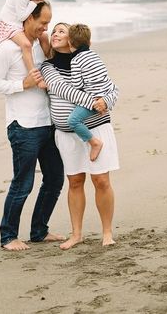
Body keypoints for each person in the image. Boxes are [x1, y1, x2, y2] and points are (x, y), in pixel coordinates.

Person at [0, 2, 65, 251]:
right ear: (27, 18)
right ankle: (8, 236)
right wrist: (23, 84)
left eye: (49, 23)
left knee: (54, 179)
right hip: (23, 125)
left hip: (47, 123)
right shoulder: (8, 49)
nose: (46, 27)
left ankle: (39, 231)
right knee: (23, 184)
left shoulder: (41, 47)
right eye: (43, 22)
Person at [41, 23, 119, 250]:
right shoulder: (48, 67)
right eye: (53, 31)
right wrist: (94, 102)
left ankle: (107, 232)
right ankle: (76, 234)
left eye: (61, 31)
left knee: (101, 181)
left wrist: (107, 101)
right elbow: (63, 89)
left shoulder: (89, 59)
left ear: (72, 39)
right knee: (74, 182)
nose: (55, 34)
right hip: (67, 134)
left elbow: (112, 88)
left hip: (96, 129)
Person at [66, 24, 118, 162]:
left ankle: (94, 142)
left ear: (70, 43)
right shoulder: (95, 55)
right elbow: (104, 76)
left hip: (93, 101)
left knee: (73, 120)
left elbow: (77, 85)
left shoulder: (76, 60)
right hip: (105, 95)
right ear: (90, 42)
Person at [0, 0, 55, 80]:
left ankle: (53, 62)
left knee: (44, 36)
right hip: (10, 25)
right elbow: (22, 17)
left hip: (17, 23)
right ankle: (33, 74)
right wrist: (33, 4)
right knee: (26, 45)